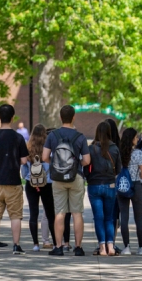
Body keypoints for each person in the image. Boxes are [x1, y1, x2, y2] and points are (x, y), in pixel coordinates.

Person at [42, 105, 91, 257]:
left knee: (60, 213)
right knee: (77, 213)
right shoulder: (80, 137)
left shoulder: (53, 135)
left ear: (60, 117)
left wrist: (56, 165)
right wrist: (77, 164)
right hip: (75, 176)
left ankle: (58, 247)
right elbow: (87, 160)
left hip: (57, 178)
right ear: (74, 117)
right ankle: (78, 247)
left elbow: (44, 157)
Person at [0, 104, 29, 255]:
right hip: (13, 182)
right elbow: (24, 161)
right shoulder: (18, 137)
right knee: (15, 215)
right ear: (12, 117)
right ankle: (16, 246)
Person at [85, 122, 122, 256]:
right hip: (110, 185)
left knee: (98, 217)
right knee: (109, 218)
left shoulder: (91, 149)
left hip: (94, 185)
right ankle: (110, 246)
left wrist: (89, 177)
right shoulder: (114, 148)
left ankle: (102, 247)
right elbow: (118, 169)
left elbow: (86, 169)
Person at [21, 124, 57, 251]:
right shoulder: (48, 147)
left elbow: (24, 169)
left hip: (31, 183)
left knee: (33, 213)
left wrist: (29, 176)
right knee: (50, 214)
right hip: (47, 183)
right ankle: (56, 243)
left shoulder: (27, 147)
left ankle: (35, 244)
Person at [117, 128, 142, 255]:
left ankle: (127, 246)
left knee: (124, 216)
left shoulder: (119, 152)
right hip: (136, 185)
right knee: (138, 217)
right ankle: (141, 247)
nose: (138, 139)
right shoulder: (138, 153)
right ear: (132, 139)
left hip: (123, 184)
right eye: (136, 137)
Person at [105, 118, 122, 253]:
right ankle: (112, 242)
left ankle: (103, 242)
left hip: (99, 182)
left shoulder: (96, 145)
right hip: (115, 183)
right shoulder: (119, 146)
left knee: (102, 215)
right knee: (114, 215)